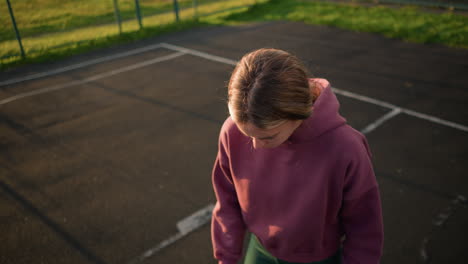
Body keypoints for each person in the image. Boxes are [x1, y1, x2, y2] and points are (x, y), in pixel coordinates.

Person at [210, 48, 384, 264]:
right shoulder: (232, 132)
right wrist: (226, 258)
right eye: (247, 134)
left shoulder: (346, 148)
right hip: (260, 251)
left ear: (298, 114)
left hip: (318, 259)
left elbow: (364, 227)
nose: (255, 146)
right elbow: (227, 202)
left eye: (268, 136)